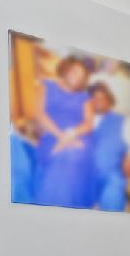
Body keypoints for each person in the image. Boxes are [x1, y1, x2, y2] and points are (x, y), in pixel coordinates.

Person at [31, 56, 96, 208]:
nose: (77, 77)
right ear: (66, 69)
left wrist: (72, 134)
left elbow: (89, 123)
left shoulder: (84, 97)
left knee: (72, 155)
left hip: (78, 137)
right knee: (63, 157)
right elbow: (38, 114)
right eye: (75, 72)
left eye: (82, 76)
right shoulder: (46, 85)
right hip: (51, 137)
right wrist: (62, 137)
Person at [88, 82, 130, 212]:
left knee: (112, 201)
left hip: (111, 176)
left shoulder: (124, 121)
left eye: (102, 98)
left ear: (110, 101)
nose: (98, 101)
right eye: (94, 98)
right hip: (85, 177)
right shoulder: (83, 121)